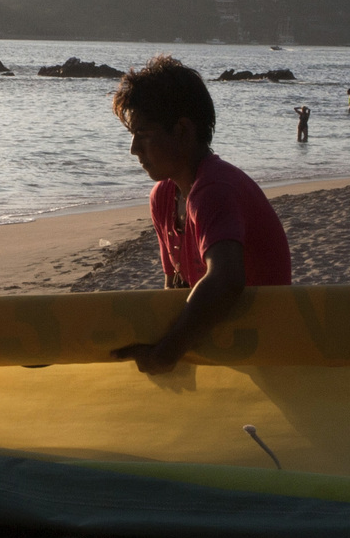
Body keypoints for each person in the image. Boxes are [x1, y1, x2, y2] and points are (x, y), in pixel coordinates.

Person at [110, 55, 292, 375]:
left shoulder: (214, 189)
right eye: (132, 136)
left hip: (270, 354)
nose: (134, 149)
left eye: (144, 134)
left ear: (182, 130)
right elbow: (176, 290)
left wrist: (165, 355)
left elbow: (226, 280)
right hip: (228, 352)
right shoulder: (164, 197)